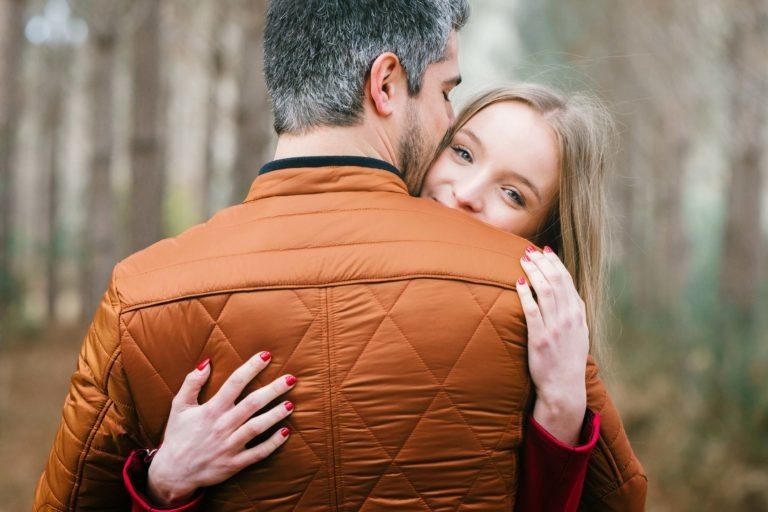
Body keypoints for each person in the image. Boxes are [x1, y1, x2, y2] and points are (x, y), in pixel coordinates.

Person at [34, 1, 644, 510]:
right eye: (445, 94)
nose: (446, 123)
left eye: (513, 193)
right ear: (385, 85)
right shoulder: (515, 298)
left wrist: (155, 487)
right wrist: (163, 481)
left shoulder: (142, 293)